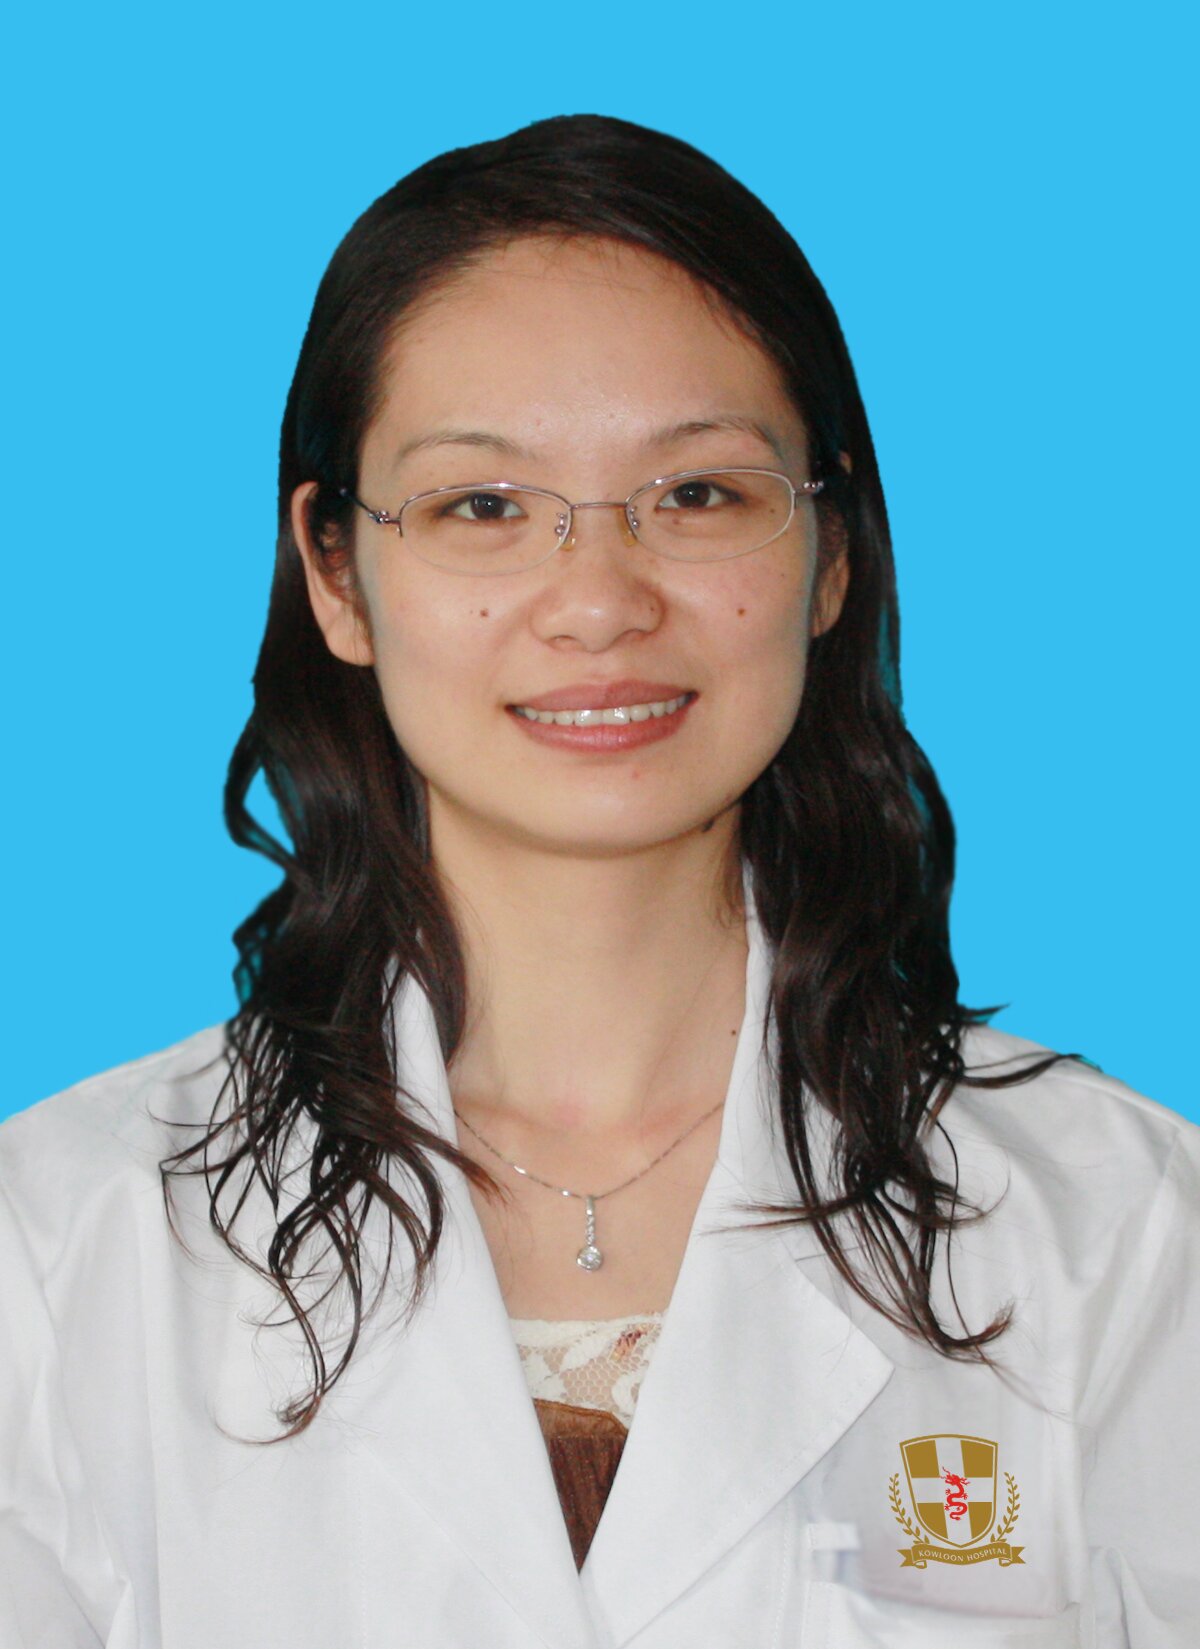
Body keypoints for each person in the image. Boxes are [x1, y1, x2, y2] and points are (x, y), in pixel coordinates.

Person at [1, 115, 1196, 1649]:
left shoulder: (1125, 1234)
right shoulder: (59, 1250)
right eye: (484, 506)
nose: (597, 600)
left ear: (830, 554)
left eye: (697, 494)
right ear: (335, 572)